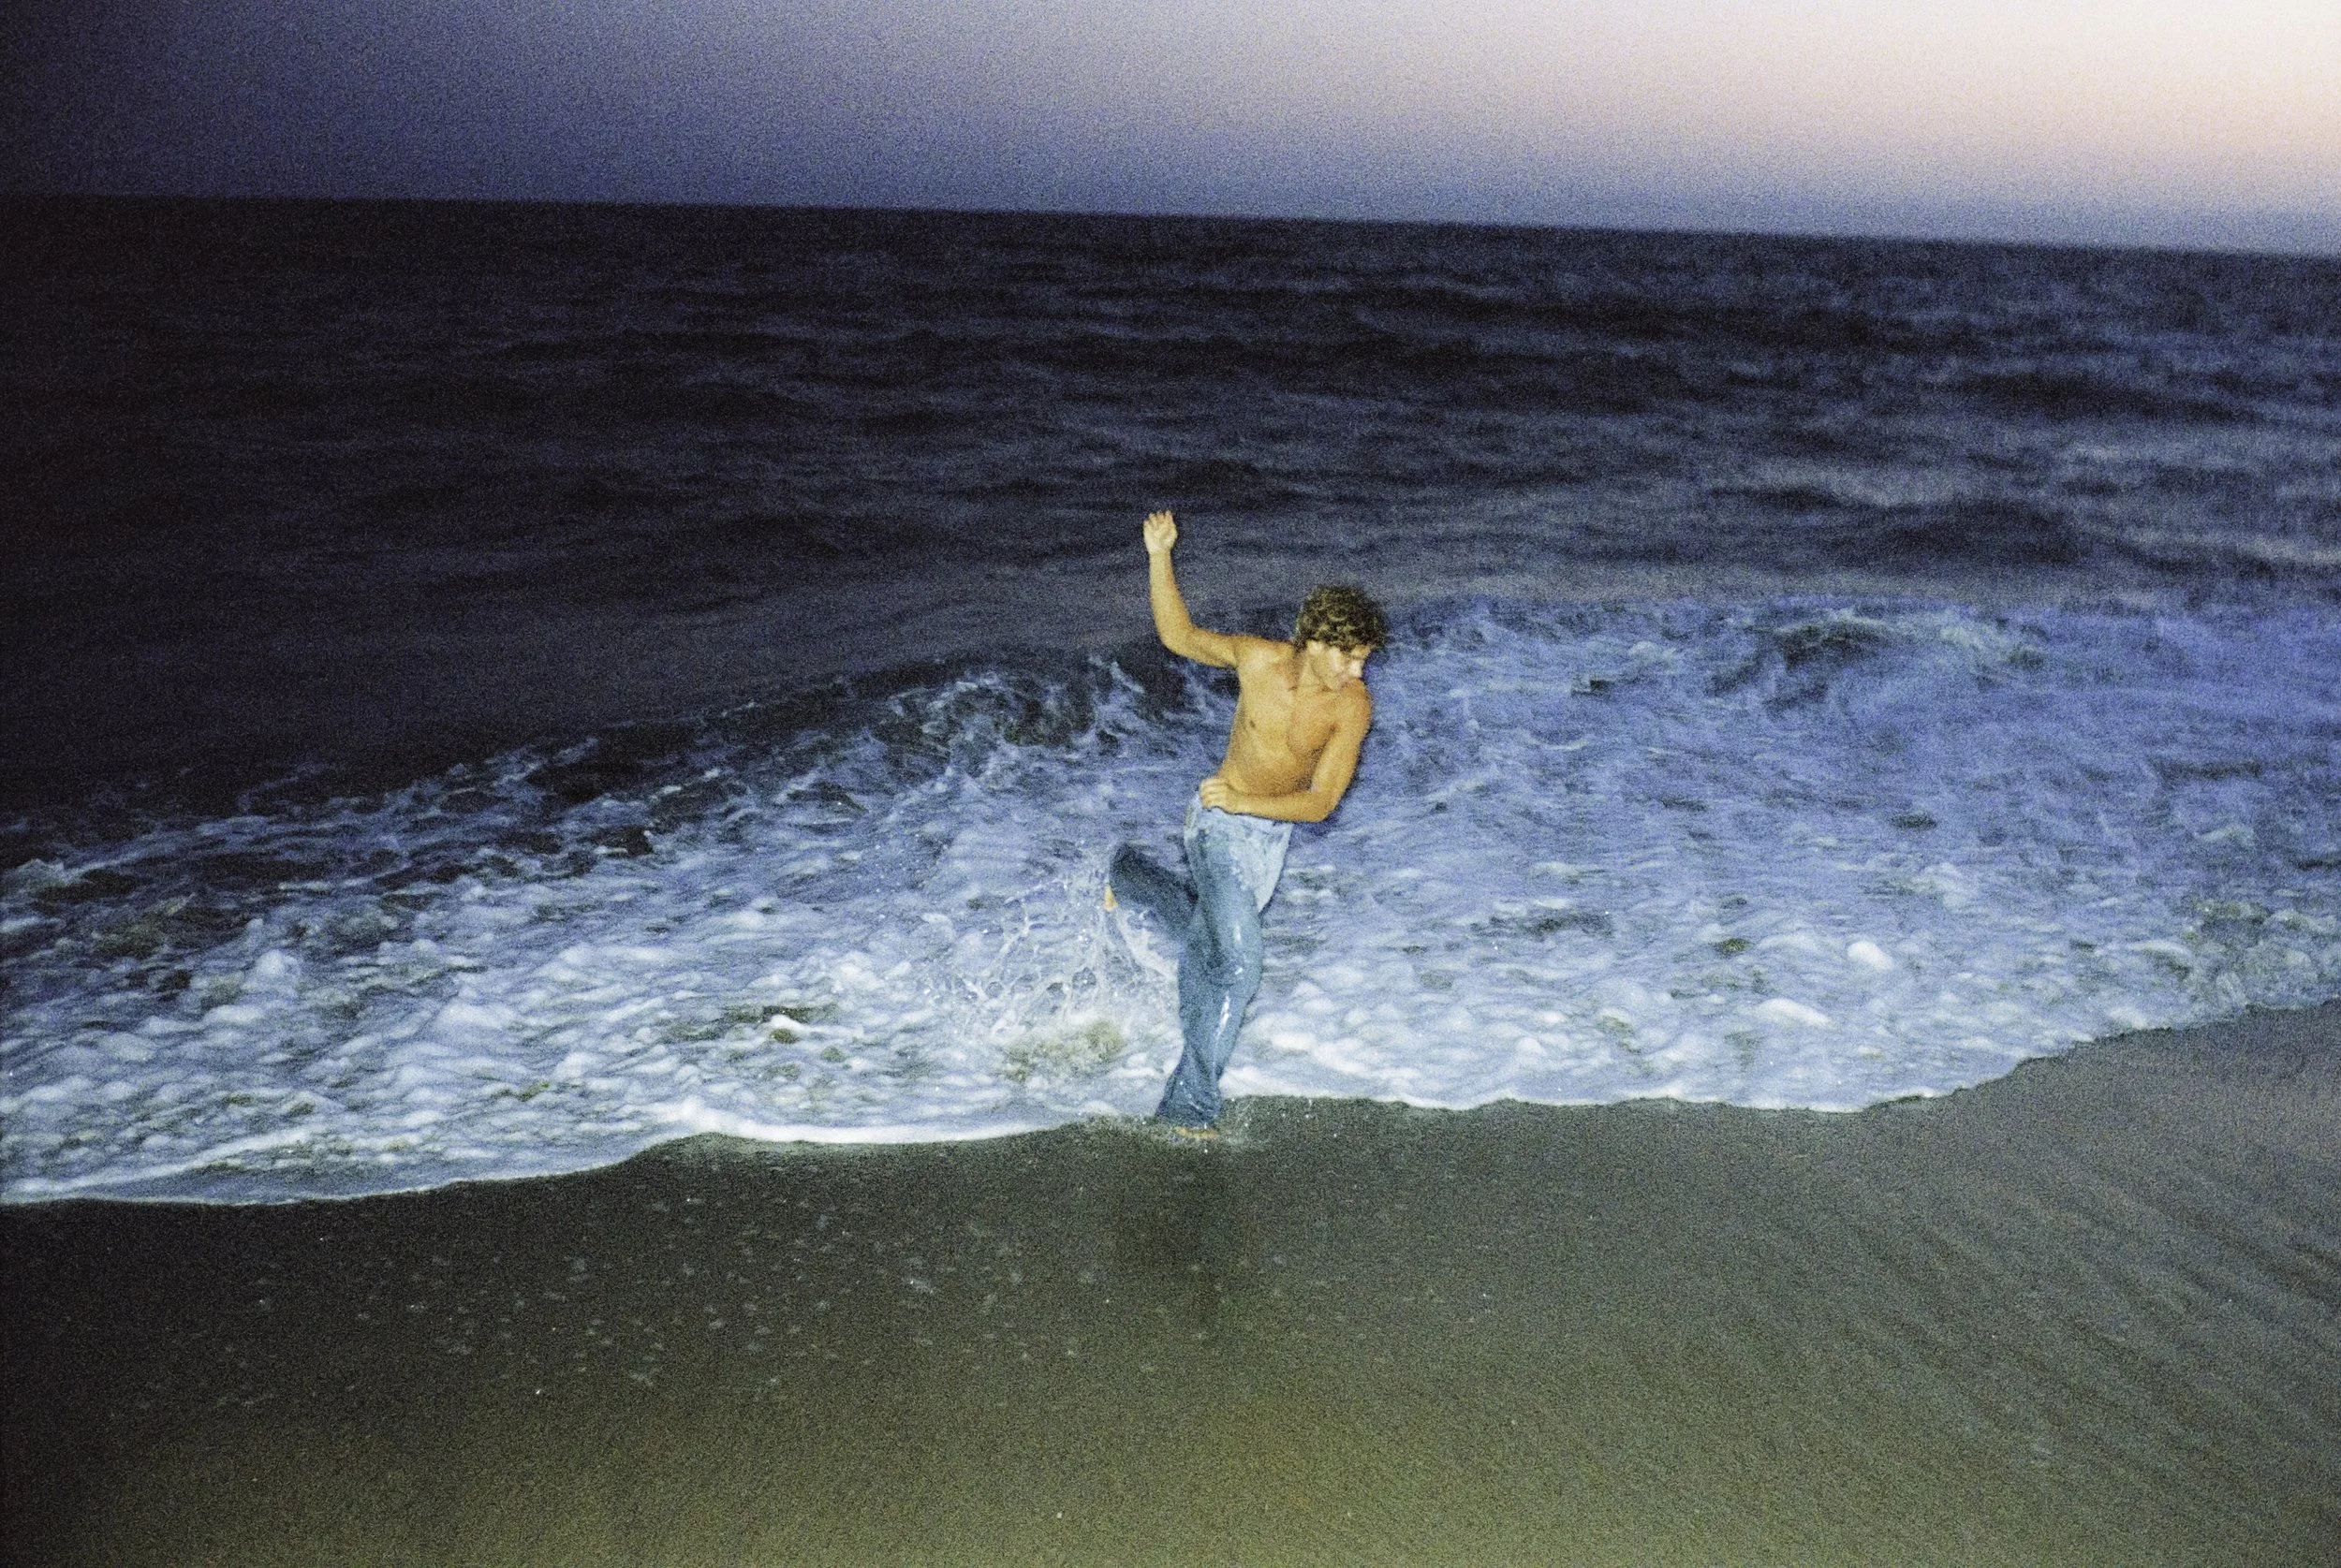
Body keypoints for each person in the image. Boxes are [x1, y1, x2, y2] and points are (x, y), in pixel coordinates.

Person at [1107, 509, 1385, 1134]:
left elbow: (1320, 802)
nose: (1357, 672)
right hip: (1216, 825)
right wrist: (1159, 556)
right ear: (1316, 642)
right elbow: (1179, 636)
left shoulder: (1352, 707)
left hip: (1268, 834)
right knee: (1238, 963)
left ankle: (1129, 875)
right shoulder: (1258, 661)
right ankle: (1191, 1108)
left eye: (1364, 660)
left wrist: (1250, 806)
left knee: (1210, 940)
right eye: (1349, 658)